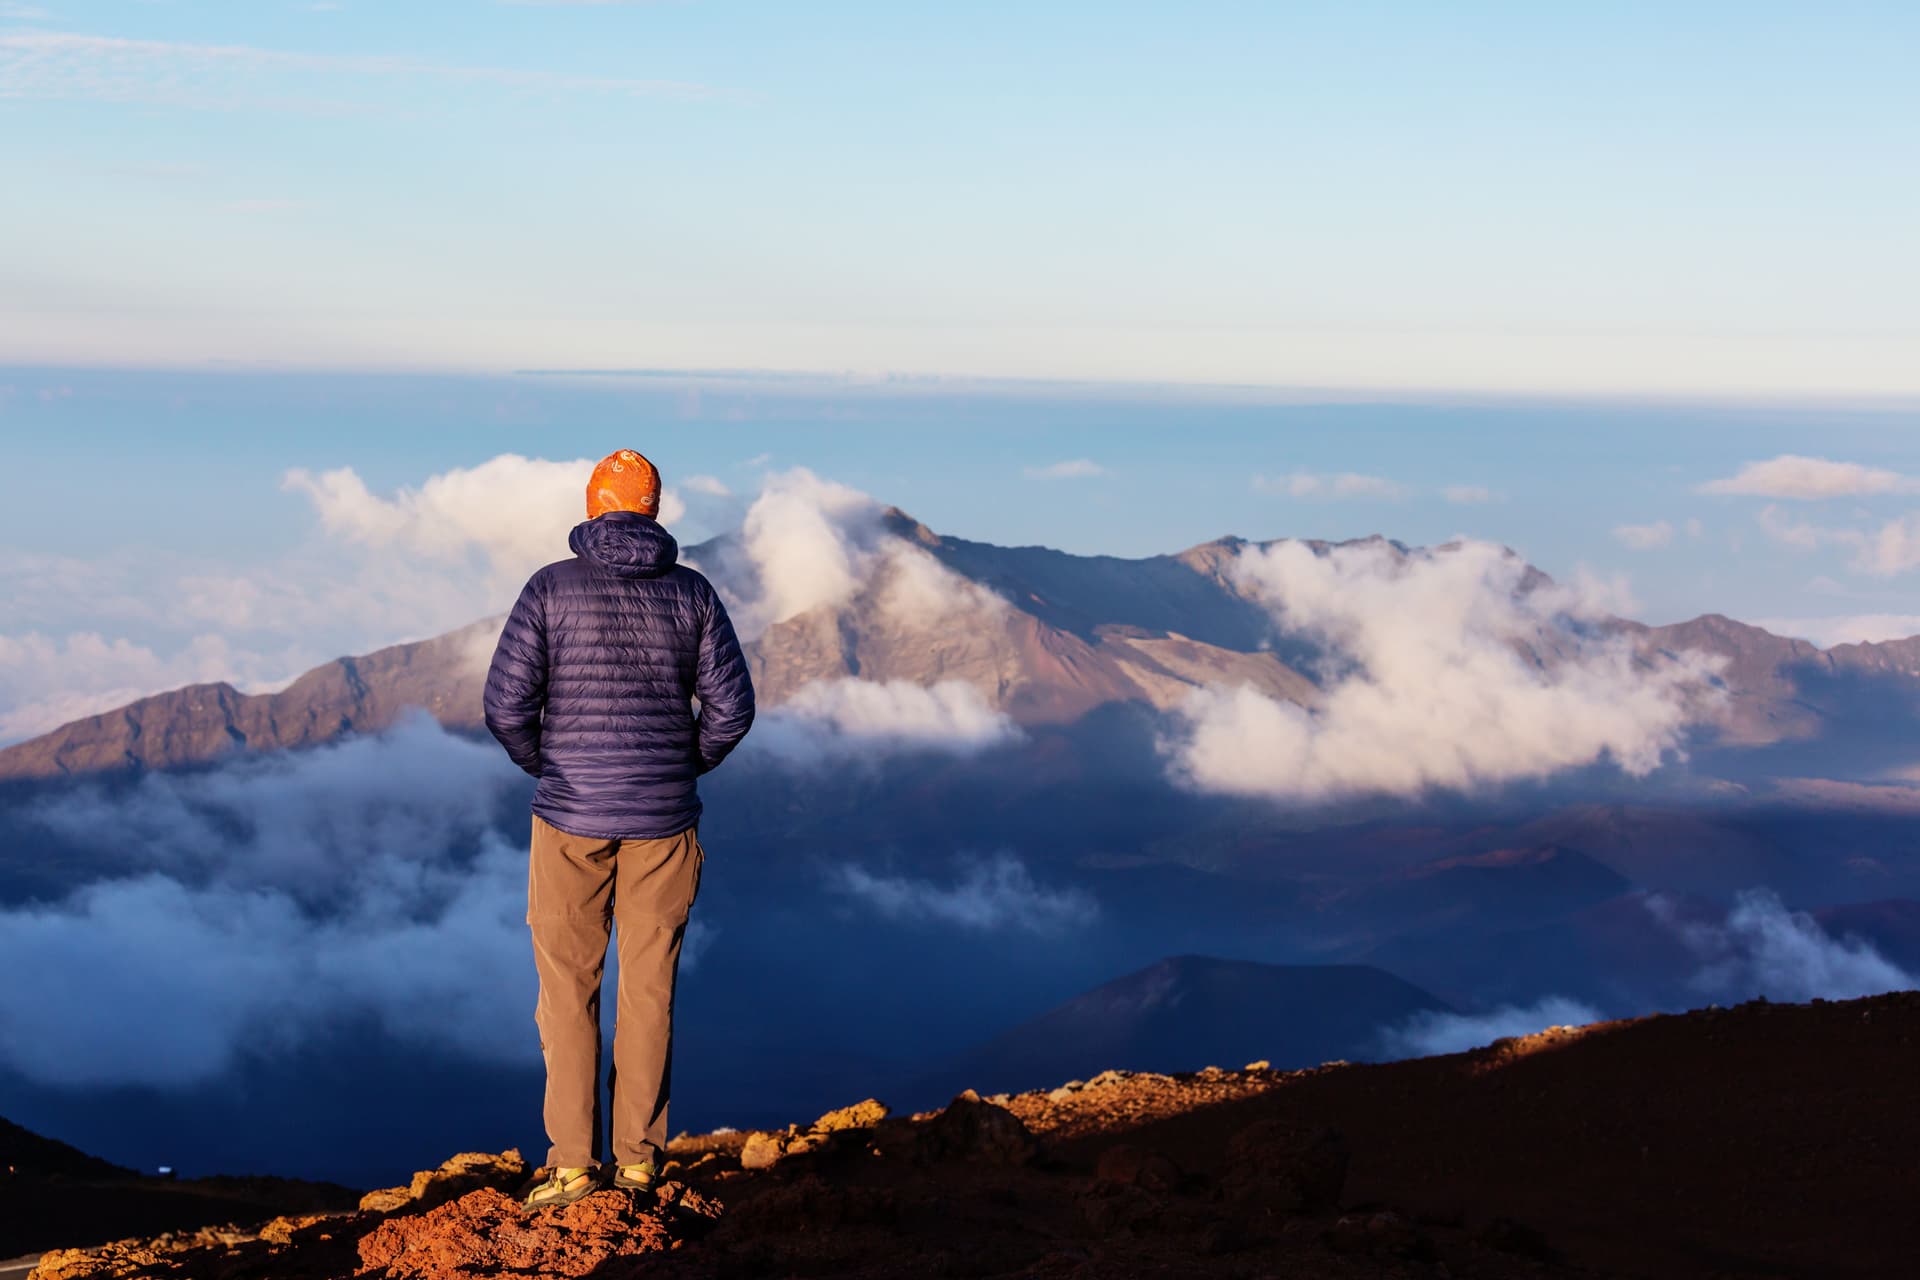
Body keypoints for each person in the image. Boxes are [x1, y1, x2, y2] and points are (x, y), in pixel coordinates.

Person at [482, 448, 755, 1213]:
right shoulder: (692, 594)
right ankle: (638, 1165)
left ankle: (572, 1167)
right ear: (656, 510)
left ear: (592, 503)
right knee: (649, 992)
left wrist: (556, 769)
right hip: (665, 825)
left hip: (569, 821)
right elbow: (732, 710)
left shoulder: (549, 588)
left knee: (567, 993)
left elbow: (505, 707)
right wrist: (677, 766)